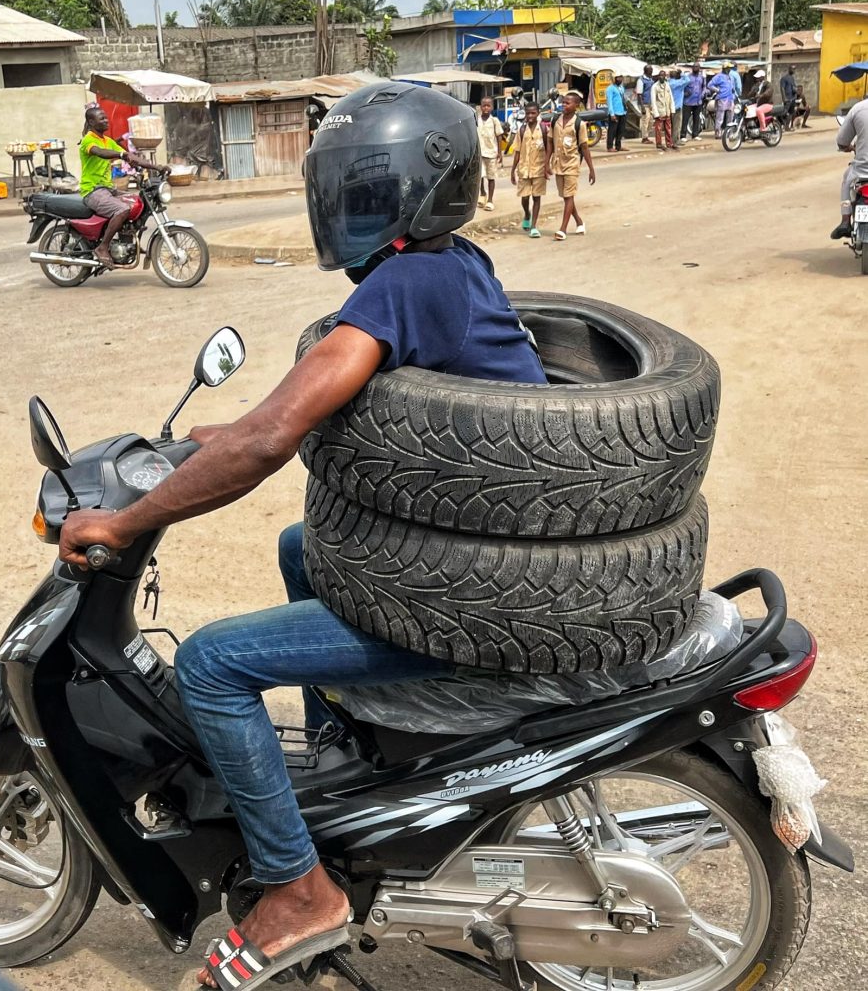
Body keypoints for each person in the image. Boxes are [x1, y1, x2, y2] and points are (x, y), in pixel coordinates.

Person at [57, 82, 548, 991]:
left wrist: (124, 519)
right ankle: (346, 763)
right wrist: (217, 435)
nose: (341, 208)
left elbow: (275, 436)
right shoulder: (454, 265)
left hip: (474, 604)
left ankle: (297, 889)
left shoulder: (407, 282)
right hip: (498, 566)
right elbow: (309, 409)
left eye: (361, 190)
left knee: (210, 664)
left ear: (407, 190)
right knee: (299, 548)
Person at [79, 104, 169, 267]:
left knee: (136, 203)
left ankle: (128, 243)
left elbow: (129, 156)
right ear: (91, 122)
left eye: (106, 117)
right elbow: (100, 152)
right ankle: (103, 247)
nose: (106, 120)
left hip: (108, 189)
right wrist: (120, 154)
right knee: (122, 209)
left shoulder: (107, 141)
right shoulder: (88, 140)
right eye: (102, 118)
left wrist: (156, 167)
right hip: (92, 191)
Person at [552, 90, 596, 240]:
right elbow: (550, 143)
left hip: (572, 163)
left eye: (567, 103)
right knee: (566, 197)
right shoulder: (556, 121)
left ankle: (562, 229)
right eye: (563, 102)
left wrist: (591, 169)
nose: (564, 105)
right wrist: (546, 164)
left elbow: (584, 147)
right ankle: (579, 221)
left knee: (569, 195)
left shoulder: (579, 124)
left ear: (576, 106)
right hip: (558, 164)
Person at [509, 101, 551, 237]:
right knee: (525, 197)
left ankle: (534, 226)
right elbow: (517, 152)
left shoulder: (544, 130)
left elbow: (549, 149)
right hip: (524, 169)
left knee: (537, 197)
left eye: (533, 113)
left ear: (538, 113)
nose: (530, 116)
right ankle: (527, 213)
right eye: (528, 113)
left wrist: (547, 166)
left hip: (539, 169)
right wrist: (512, 170)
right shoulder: (521, 130)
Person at [831, 97, 868, 240]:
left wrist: (848, 147)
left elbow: (841, 141)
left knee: (847, 178)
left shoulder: (858, 109)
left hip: (861, 170)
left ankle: (845, 221)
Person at [475, 95, 504, 210]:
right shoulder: (477, 120)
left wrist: (500, 153)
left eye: (488, 106)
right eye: (484, 106)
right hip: (480, 152)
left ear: (492, 107)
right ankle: (482, 194)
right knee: (480, 175)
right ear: (480, 107)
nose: (486, 108)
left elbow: (499, 136)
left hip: (491, 153)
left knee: (491, 177)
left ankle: (490, 200)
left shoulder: (494, 121)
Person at [650, 70, 676, 152]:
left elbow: (671, 98)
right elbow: (653, 101)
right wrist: (655, 113)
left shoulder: (667, 85)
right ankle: (659, 144)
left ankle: (669, 143)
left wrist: (672, 109)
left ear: (665, 77)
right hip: (659, 111)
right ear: (658, 76)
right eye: (660, 75)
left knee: (668, 128)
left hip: (667, 110)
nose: (661, 77)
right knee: (658, 129)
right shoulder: (655, 87)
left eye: (663, 76)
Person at [707, 64, 735, 138]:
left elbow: (732, 86)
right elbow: (709, 85)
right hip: (722, 99)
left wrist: (733, 90)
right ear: (724, 69)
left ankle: (729, 133)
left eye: (730, 68)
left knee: (730, 118)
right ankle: (718, 133)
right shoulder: (718, 76)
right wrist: (717, 90)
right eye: (728, 68)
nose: (729, 70)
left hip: (730, 98)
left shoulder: (731, 77)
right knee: (720, 117)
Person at [682, 63, 706, 140]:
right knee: (685, 119)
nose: (695, 68)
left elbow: (704, 87)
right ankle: (683, 135)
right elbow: (682, 87)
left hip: (698, 101)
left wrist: (702, 94)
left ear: (699, 68)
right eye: (694, 67)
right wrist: (685, 93)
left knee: (696, 118)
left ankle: (695, 135)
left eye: (697, 67)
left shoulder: (701, 77)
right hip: (688, 101)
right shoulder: (687, 77)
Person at [606, 75, 627, 151]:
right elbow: (609, 102)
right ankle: (610, 147)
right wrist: (612, 114)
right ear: (614, 79)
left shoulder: (621, 88)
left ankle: (618, 146)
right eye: (618, 78)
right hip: (614, 112)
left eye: (621, 77)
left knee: (620, 130)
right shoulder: (610, 88)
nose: (620, 79)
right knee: (612, 130)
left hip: (623, 111)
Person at [668, 68, 689, 144]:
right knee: (677, 125)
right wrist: (682, 73)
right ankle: (675, 140)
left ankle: (669, 140)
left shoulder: (667, 83)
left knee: (670, 125)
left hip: (669, 107)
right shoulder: (678, 83)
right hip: (677, 107)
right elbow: (687, 80)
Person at [635, 65, 654, 144]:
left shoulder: (650, 79)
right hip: (644, 103)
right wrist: (642, 107)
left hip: (651, 103)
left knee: (651, 121)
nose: (651, 71)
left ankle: (647, 136)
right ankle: (644, 138)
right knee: (645, 120)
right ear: (646, 70)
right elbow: (639, 94)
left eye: (651, 69)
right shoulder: (641, 80)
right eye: (650, 70)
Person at [780, 64, 798, 130]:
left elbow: (793, 87)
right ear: (789, 69)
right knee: (784, 112)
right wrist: (784, 98)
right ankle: (780, 125)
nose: (793, 70)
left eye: (794, 69)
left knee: (791, 113)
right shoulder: (784, 78)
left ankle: (787, 127)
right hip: (788, 99)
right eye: (792, 69)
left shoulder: (792, 78)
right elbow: (782, 88)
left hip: (793, 98)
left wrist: (796, 90)